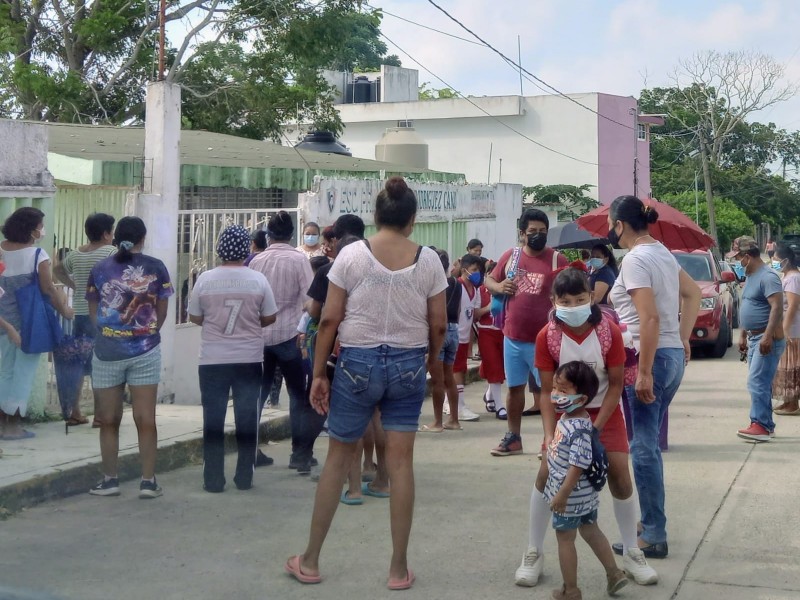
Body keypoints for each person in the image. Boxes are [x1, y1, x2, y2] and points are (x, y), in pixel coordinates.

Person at [285, 176, 447, 590]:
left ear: (377, 217)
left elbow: (330, 321)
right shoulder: (429, 260)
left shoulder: (352, 256)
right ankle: (397, 569)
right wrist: (428, 361)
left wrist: (319, 372)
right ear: (412, 220)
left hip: (356, 361)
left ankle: (310, 560)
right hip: (409, 363)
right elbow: (439, 324)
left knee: (338, 459)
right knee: (401, 464)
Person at [515, 267, 658, 589]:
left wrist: (594, 428)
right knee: (545, 474)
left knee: (620, 475)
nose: (574, 305)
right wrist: (551, 437)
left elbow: (616, 383)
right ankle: (534, 551)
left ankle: (633, 553)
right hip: (564, 417)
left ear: (592, 297)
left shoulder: (609, 332)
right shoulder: (546, 337)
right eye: (565, 301)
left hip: (603, 414)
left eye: (580, 299)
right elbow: (547, 392)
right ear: (553, 301)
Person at [606, 195, 701, 559]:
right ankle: (650, 521)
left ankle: (655, 533)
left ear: (619, 225)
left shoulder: (634, 260)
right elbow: (691, 294)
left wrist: (643, 370)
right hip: (670, 356)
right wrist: (682, 338)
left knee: (643, 448)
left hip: (650, 359)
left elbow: (648, 318)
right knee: (648, 445)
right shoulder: (661, 252)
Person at [86, 217, 173, 498]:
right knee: (145, 418)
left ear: (115, 237)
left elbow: (93, 310)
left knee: (108, 419)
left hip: (107, 352)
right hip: (145, 350)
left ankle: (109, 480)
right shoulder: (156, 267)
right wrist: (147, 333)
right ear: (143, 238)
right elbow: (162, 310)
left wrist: (108, 333)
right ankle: (148, 481)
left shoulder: (99, 268)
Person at [188, 225, 278, 493]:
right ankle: (244, 476)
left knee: (213, 419)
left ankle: (213, 479)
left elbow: (194, 316)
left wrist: (211, 321)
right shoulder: (257, 280)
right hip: (248, 358)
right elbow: (270, 316)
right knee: (247, 418)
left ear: (220, 248)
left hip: (213, 359)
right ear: (245, 248)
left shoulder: (205, 279)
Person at [485, 208, 568, 456]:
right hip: (513, 337)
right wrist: (499, 286)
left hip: (545, 340)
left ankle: (550, 440)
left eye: (543, 232)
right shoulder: (511, 256)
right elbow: (489, 280)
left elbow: (570, 290)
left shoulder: (556, 260)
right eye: (532, 231)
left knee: (547, 392)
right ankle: (513, 437)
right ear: (522, 233)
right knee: (514, 389)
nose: (538, 236)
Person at [543, 361, 628, 600]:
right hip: (584, 497)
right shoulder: (570, 419)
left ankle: (571, 590)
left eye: (563, 390)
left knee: (565, 540)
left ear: (581, 399)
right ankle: (614, 573)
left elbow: (578, 463)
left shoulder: (578, 429)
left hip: (569, 497)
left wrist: (563, 493)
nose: (556, 395)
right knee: (591, 530)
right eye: (554, 388)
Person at [249, 211, 321, 473]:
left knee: (258, 394)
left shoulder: (257, 261)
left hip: (260, 336)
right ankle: (299, 454)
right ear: (292, 234)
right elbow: (310, 301)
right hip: (290, 336)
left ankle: (252, 451)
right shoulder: (298, 259)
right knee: (297, 395)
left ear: (269, 234)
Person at [0, 208, 73, 440]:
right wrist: (65, 310)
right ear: (32, 230)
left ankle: (3, 423)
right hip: (30, 323)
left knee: (4, 372)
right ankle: (13, 426)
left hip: (3, 322)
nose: (42, 230)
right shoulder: (38, 255)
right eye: (41, 226)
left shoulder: (0, 249)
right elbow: (48, 289)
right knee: (23, 373)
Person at [54, 213, 117, 427]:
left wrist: (74, 286)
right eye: (112, 230)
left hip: (81, 315)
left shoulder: (77, 254)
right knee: (102, 365)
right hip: (103, 315)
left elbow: (58, 269)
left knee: (78, 364)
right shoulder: (110, 252)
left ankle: (75, 412)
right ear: (106, 233)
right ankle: (100, 416)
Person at [728, 235, 785, 442]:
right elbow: (748, 306)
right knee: (760, 382)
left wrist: (767, 336)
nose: (737, 262)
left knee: (757, 382)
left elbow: (777, 308)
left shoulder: (768, 276)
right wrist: (743, 334)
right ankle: (765, 424)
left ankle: (759, 424)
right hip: (754, 338)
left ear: (748, 256)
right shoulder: (751, 275)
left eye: (738, 257)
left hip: (766, 338)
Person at [420, 248, 462, 432]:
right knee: (449, 378)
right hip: (454, 330)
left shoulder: (433, 284)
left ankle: (437, 422)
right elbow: (459, 310)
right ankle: (454, 419)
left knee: (437, 380)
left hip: (439, 331)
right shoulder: (456, 283)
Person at [448, 253, 485, 421]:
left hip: (464, 337)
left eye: (479, 270)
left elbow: (475, 314)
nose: (477, 273)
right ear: (464, 270)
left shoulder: (475, 290)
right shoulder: (457, 286)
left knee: (459, 370)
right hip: (453, 336)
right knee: (455, 371)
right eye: (474, 270)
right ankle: (458, 405)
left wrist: (491, 307)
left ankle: (453, 403)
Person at [773, 243, 800, 415]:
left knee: (791, 367)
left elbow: (792, 306)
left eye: (775, 259)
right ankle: (788, 401)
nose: (773, 262)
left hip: (793, 331)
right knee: (785, 367)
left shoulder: (793, 278)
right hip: (789, 329)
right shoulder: (787, 277)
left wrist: (784, 329)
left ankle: (793, 404)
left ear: (786, 260)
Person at [476, 257, 506, 414]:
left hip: (503, 333)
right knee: (493, 366)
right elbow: (475, 314)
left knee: (501, 367)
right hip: (486, 332)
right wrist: (488, 308)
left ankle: (489, 395)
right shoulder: (480, 291)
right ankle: (500, 406)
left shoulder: (507, 292)